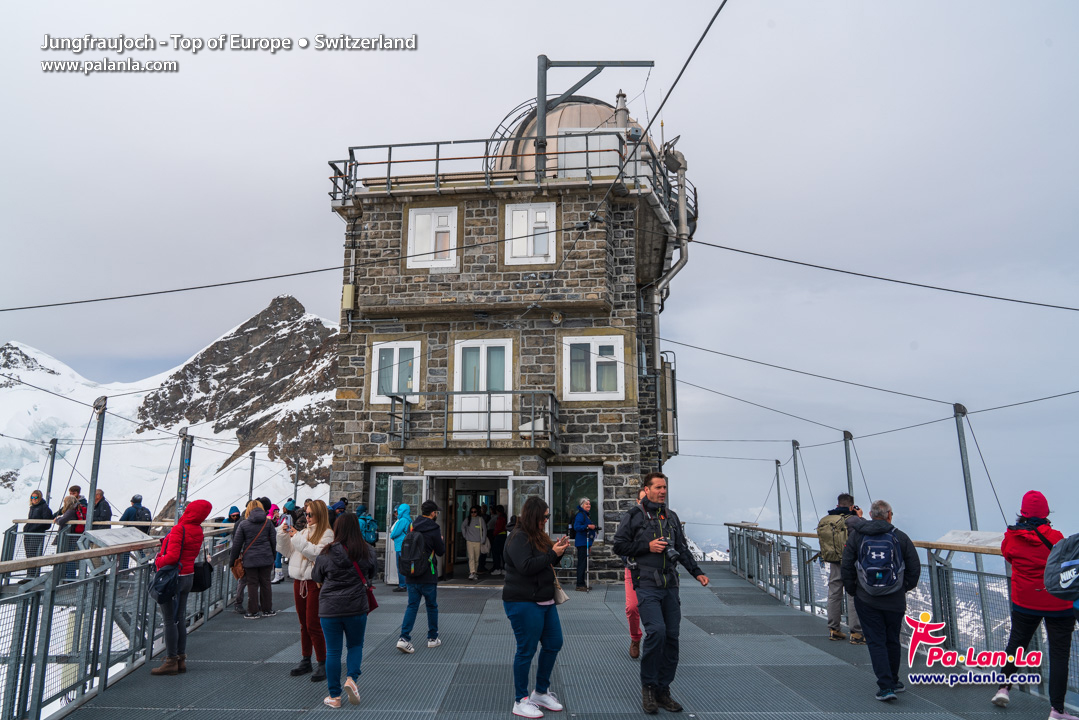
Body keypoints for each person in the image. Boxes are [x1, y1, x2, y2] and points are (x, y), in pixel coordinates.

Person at [612, 471, 708, 714]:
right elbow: (619, 545)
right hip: (645, 584)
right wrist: (648, 547)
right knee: (656, 632)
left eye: (665, 487)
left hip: (670, 585)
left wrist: (697, 572)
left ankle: (664, 690)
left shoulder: (671, 517)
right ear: (646, 489)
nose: (662, 491)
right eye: (658, 487)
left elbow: (682, 549)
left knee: (672, 638)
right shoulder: (634, 515)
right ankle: (649, 688)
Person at [990, 491, 1075, 719]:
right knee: (1059, 654)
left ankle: (1003, 688)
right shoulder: (1056, 536)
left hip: (1025, 601)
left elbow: (1008, 556)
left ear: (1022, 513)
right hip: (1058, 603)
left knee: (1017, 644)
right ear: (1046, 512)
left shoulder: (1012, 537)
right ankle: (1057, 710)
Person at [841, 499, 921, 702]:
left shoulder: (858, 536)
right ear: (889, 515)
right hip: (894, 599)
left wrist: (854, 590)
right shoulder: (900, 537)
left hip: (866, 598)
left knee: (876, 642)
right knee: (892, 639)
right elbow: (914, 566)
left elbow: (847, 565)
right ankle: (894, 680)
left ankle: (885, 687)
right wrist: (902, 588)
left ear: (869, 513)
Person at [502, 496, 570, 719]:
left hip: (545, 600)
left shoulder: (537, 535)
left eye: (548, 517)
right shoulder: (517, 537)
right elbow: (526, 566)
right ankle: (520, 700)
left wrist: (557, 552)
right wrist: (553, 553)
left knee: (554, 643)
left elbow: (546, 562)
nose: (547, 520)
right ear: (535, 516)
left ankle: (540, 692)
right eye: (545, 517)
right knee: (526, 650)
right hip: (523, 601)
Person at [312, 512, 377, 708]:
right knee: (355, 646)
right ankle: (351, 679)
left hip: (330, 608)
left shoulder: (326, 552)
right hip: (356, 607)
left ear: (337, 529)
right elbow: (372, 573)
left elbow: (316, 576)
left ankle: (334, 696)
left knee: (333, 651)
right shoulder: (367, 551)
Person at [150, 498, 211, 676]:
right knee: (179, 618)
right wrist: (168, 541)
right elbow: (184, 548)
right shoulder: (197, 529)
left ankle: (170, 661)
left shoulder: (180, 528)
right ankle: (181, 659)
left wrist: (157, 561)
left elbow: (172, 558)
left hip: (173, 578)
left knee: (169, 620)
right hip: (188, 577)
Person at [279, 498, 334, 683]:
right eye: (306, 514)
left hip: (314, 583)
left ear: (319, 514)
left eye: (310, 514)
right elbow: (288, 552)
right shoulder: (304, 532)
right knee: (304, 623)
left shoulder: (327, 534)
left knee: (313, 623)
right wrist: (283, 534)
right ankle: (306, 659)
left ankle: (322, 661)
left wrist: (297, 537)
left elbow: (316, 554)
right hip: (300, 581)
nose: (307, 517)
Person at [396, 500, 446, 653]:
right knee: (431, 606)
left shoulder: (413, 525)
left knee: (412, 606)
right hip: (428, 573)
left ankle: (404, 638)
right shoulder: (434, 528)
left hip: (411, 572)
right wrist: (441, 541)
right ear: (432, 513)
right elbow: (440, 551)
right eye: (436, 512)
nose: (436, 514)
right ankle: (432, 638)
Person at [816, 493, 866, 645]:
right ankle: (856, 633)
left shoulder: (828, 519)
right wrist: (860, 516)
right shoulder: (855, 520)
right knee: (852, 595)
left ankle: (834, 629)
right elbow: (868, 529)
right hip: (852, 562)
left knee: (834, 593)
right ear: (851, 506)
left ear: (838, 505)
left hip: (834, 561)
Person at [229, 499, 277, 619]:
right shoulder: (268, 523)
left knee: (252, 584)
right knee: (266, 583)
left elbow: (237, 545)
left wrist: (232, 562)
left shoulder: (244, 524)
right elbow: (273, 541)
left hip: (250, 559)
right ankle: (267, 609)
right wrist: (273, 556)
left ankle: (253, 611)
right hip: (266, 558)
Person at [622, 487, 647, 659]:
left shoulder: (663, 519)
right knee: (632, 607)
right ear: (637, 502)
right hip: (633, 569)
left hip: (655, 571)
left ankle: (656, 642)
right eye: (642, 500)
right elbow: (621, 544)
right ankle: (635, 638)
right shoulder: (629, 520)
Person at [24, 490, 53, 578]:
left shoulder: (44, 507)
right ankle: (29, 574)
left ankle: (32, 575)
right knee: (28, 554)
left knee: (32, 553)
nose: (34, 499)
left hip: (36, 533)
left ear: (39, 497)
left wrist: (36, 527)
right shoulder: (32, 507)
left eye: (36, 497)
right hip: (28, 532)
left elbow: (46, 522)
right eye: (32, 497)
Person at [572, 498, 597, 591]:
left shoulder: (586, 515)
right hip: (582, 542)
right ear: (582, 505)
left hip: (586, 543)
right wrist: (588, 526)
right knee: (582, 563)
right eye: (587, 504)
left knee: (584, 563)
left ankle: (582, 583)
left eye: (589, 504)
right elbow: (576, 527)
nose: (589, 506)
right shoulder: (580, 515)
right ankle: (580, 584)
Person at [389, 502, 412, 592]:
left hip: (400, 546)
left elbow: (394, 533)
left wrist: (391, 536)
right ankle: (407, 583)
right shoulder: (409, 520)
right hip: (407, 546)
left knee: (401, 567)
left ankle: (402, 585)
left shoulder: (402, 520)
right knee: (406, 565)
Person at [462, 505, 487, 581]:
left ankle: (475, 572)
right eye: (471, 512)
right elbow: (462, 526)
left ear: (477, 512)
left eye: (474, 512)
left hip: (478, 541)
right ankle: (472, 572)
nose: (473, 513)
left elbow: (484, 529)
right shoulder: (468, 519)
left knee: (476, 558)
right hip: (469, 541)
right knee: (471, 557)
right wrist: (465, 536)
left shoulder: (480, 519)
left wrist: (483, 539)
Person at [490, 505, 508, 577]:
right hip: (504, 536)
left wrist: (494, 534)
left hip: (499, 536)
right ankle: (504, 568)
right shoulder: (505, 517)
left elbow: (498, 528)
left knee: (496, 553)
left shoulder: (500, 518)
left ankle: (497, 568)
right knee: (502, 553)